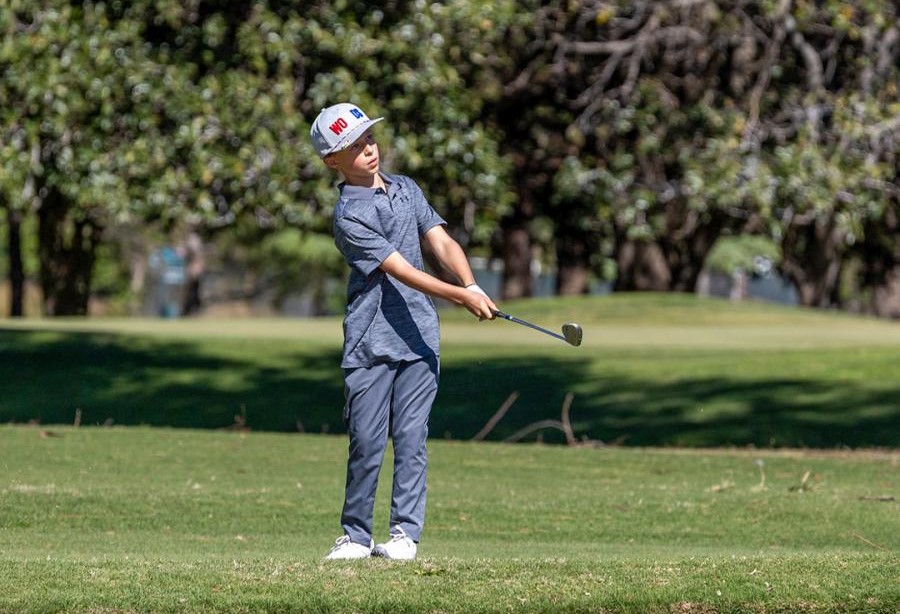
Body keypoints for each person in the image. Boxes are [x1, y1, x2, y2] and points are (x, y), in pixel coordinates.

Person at [310, 103, 497, 560]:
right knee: (368, 442)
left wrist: (470, 283)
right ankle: (355, 536)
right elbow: (399, 269)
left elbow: (439, 240)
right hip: (370, 340)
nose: (368, 149)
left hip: (418, 337)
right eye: (354, 146)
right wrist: (459, 297)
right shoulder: (347, 217)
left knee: (412, 439)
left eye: (369, 139)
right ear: (332, 160)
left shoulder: (406, 189)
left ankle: (404, 536)